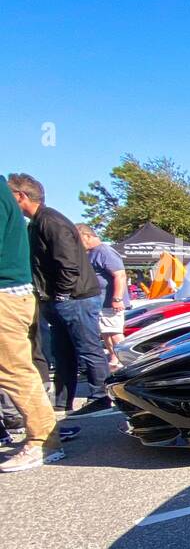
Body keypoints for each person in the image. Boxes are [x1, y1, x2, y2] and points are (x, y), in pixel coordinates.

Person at [7, 174, 112, 417]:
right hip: (61, 298)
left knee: (87, 348)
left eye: (10, 196)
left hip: (75, 298)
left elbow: (68, 263)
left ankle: (101, 396)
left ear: (21, 196)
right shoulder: (38, 222)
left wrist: (62, 294)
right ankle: (63, 401)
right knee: (62, 352)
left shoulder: (51, 221)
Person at [0, 180, 63, 471]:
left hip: (7, 294)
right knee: (18, 369)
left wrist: (62, 294)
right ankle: (43, 435)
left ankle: (43, 440)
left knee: (14, 371)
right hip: (18, 293)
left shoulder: (48, 220)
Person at [76, 225, 128, 370]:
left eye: (78, 238)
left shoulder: (105, 251)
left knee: (115, 333)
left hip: (110, 301)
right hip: (100, 301)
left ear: (87, 236)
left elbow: (120, 275)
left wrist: (117, 299)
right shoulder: (91, 253)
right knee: (106, 332)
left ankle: (126, 361)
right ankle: (114, 358)